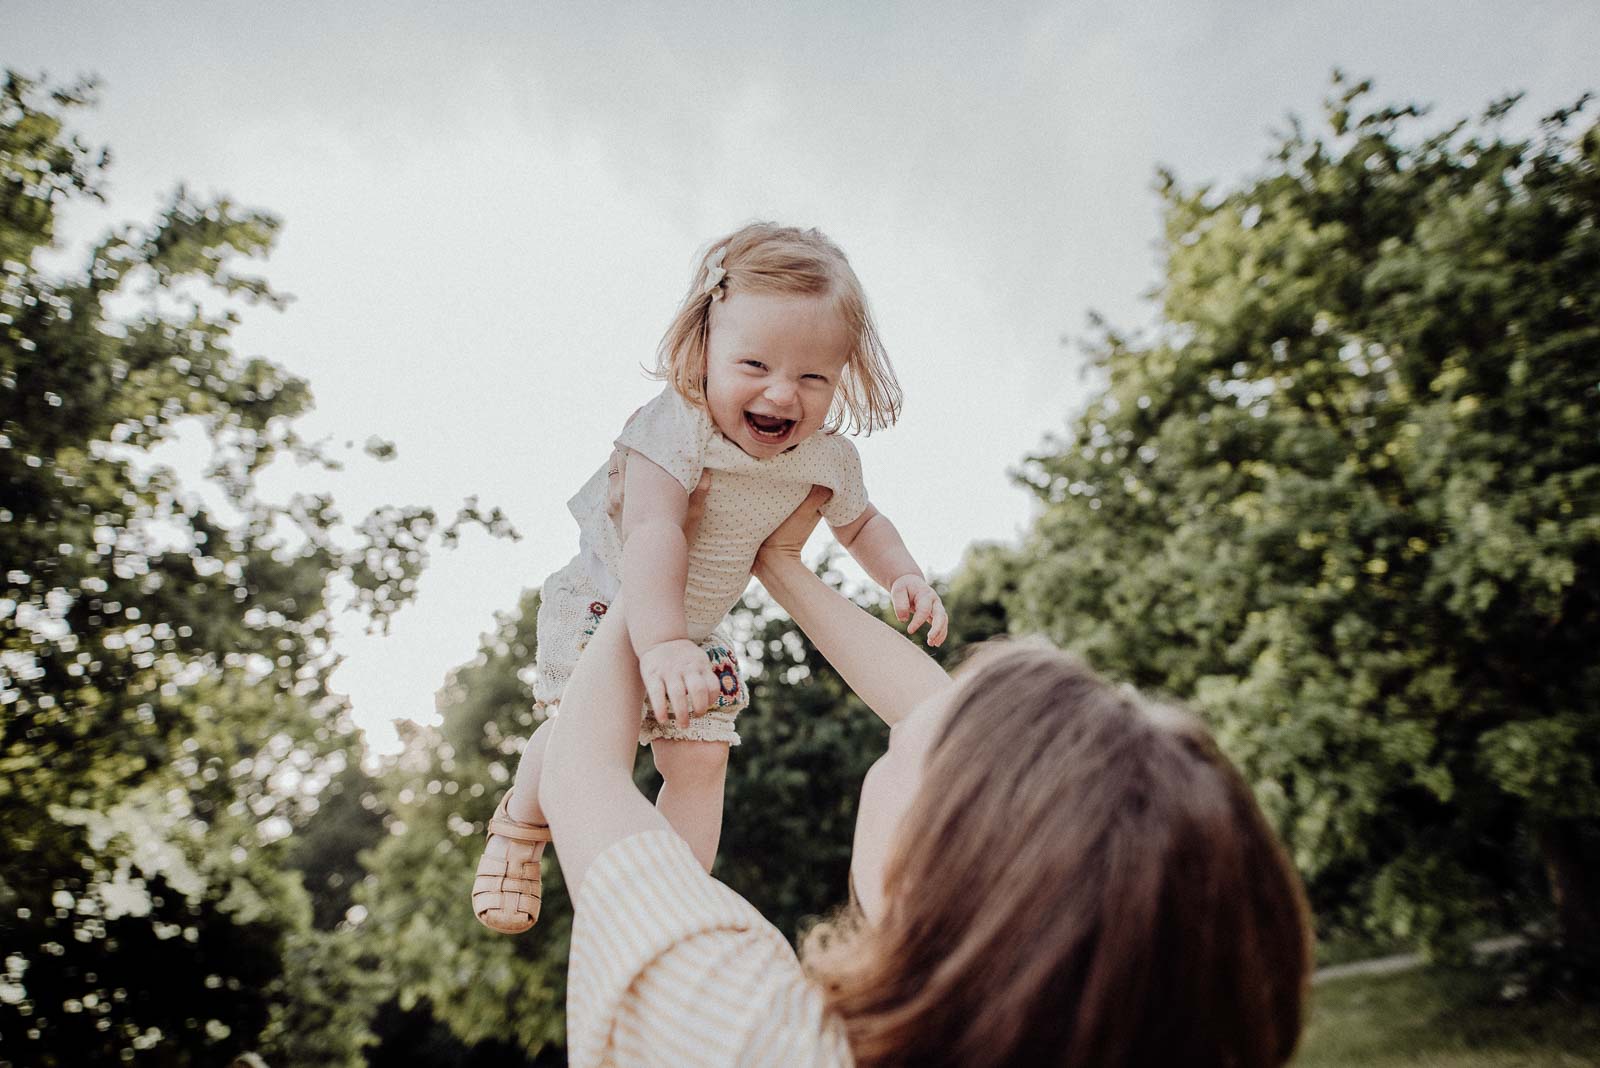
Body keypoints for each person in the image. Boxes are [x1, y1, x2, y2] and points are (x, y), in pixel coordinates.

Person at [537, 483, 1314, 1067]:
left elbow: (586, 774)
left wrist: (660, 550)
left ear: (930, 870)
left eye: (903, 753)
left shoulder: (752, 1035)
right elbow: (950, 735)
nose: (907, 725)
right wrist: (779, 566)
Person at [474, 223, 949, 935]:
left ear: (842, 374)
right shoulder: (676, 428)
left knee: (700, 760)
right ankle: (518, 823)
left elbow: (861, 523)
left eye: (813, 377)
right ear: (705, 351)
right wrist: (660, 643)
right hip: (615, 601)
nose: (783, 395)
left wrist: (903, 576)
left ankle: (675, 904)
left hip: (697, 627)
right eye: (755, 365)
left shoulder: (826, 458)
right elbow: (654, 530)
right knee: (586, 738)